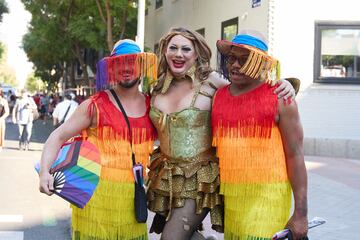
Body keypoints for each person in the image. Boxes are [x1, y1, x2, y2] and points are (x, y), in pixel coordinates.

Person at [146, 27, 297, 240]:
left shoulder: (212, 81)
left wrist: (286, 84)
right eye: (173, 48)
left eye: (185, 49)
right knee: (183, 235)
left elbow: (246, 91)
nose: (178, 53)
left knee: (171, 237)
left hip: (200, 178)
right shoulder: (157, 87)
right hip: (165, 176)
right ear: (164, 51)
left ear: (197, 53)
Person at [38, 39, 158, 240]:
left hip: (133, 203)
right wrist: (44, 173)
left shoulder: (153, 106)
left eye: (132, 62)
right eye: (120, 63)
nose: (126, 68)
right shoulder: (94, 105)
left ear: (141, 66)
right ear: (112, 68)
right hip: (94, 204)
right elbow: (57, 136)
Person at [212, 30, 308, 239]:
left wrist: (301, 213)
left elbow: (296, 155)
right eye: (232, 58)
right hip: (233, 200)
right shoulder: (218, 96)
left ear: (262, 64)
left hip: (268, 199)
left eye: (244, 60)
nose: (235, 65)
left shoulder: (280, 97)